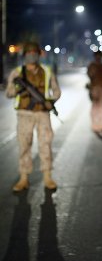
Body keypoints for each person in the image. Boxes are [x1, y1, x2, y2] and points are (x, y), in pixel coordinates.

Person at [6, 42, 61, 191]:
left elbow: (56, 91)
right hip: (24, 114)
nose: (32, 55)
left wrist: (50, 102)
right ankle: (24, 178)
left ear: (38, 54)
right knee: (24, 145)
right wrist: (19, 88)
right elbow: (8, 93)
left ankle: (47, 177)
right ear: (24, 55)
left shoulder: (47, 71)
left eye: (34, 52)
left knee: (45, 143)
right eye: (29, 53)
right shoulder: (17, 73)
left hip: (43, 113)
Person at [87, 50, 102, 132]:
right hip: (95, 88)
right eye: (97, 56)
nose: (98, 58)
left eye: (99, 56)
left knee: (100, 107)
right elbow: (90, 74)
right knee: (95, 106)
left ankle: (100, 124)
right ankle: (94, 124)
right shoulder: (92, 65)